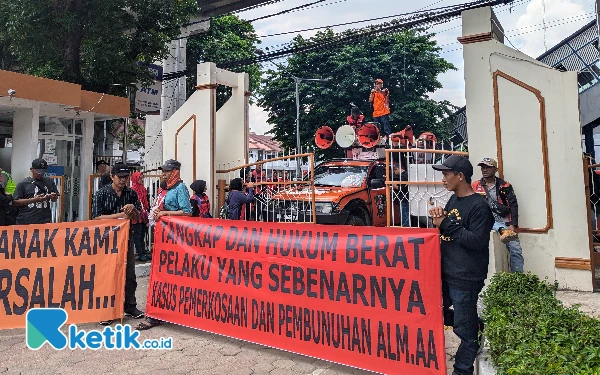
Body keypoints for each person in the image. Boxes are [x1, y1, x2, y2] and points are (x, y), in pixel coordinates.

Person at [429, 155, 494, 375]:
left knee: (466, 334)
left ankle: (462, 370)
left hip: (465, 277)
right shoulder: (453, 200)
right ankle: (474, 323)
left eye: (446, 174)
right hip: (446, 273)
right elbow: (448, 230)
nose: (443, 179)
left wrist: (446, 223)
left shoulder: (479, 207)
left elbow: (476, 242)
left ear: (460, 176)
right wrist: (438, 221)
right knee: (432, 312)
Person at [138, 159, 192, 330]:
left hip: (174, 237)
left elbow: (187, 212)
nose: (163, 173)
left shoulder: (180, 188)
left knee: (169, 274)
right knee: (161, 273)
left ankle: (162, 312)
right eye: (163, 171)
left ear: (175, 172)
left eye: (167, 171)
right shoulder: (163, 188)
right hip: (160, 235)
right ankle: (161, 311)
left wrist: (165, 213)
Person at [91, 163, 144, 324]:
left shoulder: (131, 194)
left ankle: (130, 305)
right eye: (120, 177)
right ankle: (107, 310)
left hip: (126, 239)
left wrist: (132, 210)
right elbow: (96, 218)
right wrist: (120, 215)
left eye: (126, 177)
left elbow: (137, 217)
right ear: (112, 177)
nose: (123, 180)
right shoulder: (101, 194)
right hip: (107, 241)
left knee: (129, 274)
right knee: (108, 275)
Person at [472, 157, 524, 272]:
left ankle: (519, 279)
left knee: (516, 250)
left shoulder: (505, 185)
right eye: (483, 167)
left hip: (503, 221)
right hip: (484, 221)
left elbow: (513, 205)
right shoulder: (475, 186)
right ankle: (501, 230)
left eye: (488, 167)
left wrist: (513, 225)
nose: (484, 170)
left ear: (495, 169)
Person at [13, 158, 59, 225]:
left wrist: (53, 196)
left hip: (45, 219)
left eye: (43, 172)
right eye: (38, 172)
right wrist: (34, 200)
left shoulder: (49, 181)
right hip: (26, 220)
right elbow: (15, 202)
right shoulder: (23, 183)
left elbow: (55, 199)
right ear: (31, 169)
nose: (40, 174)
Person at [130, 171, 151, 261]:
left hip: (143, 216)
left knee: (143, 235)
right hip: (136, 216)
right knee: (137, 236)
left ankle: (144, 252)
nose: (142, 179)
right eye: (140, 178)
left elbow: (146, 202)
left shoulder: (143, 189)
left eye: (142, 178)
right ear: (135, 179)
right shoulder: (132, 190)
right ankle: (140, 253)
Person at [368, 78, 391, 144]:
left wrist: (378, 90)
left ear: (381, 85)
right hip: (376, 113)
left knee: (386, 127)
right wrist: (372, 93)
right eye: (376, 84)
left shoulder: (385, 91)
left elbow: (383, 93)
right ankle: (377, 140)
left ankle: (388, 141)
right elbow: (370, 100)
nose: (376, 85)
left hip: (384, 112)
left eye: (378, 84)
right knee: (376, 128)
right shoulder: (374, 92)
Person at [391, 159, 409, 227]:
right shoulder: (407, 174)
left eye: (395, 172)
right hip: (406, 197)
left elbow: (401, 188)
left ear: (397, 169)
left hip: (403, 198)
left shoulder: (403, 176)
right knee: (405, 214)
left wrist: (394, 186)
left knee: (404, 215)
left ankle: (405, 228)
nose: (395, 174)